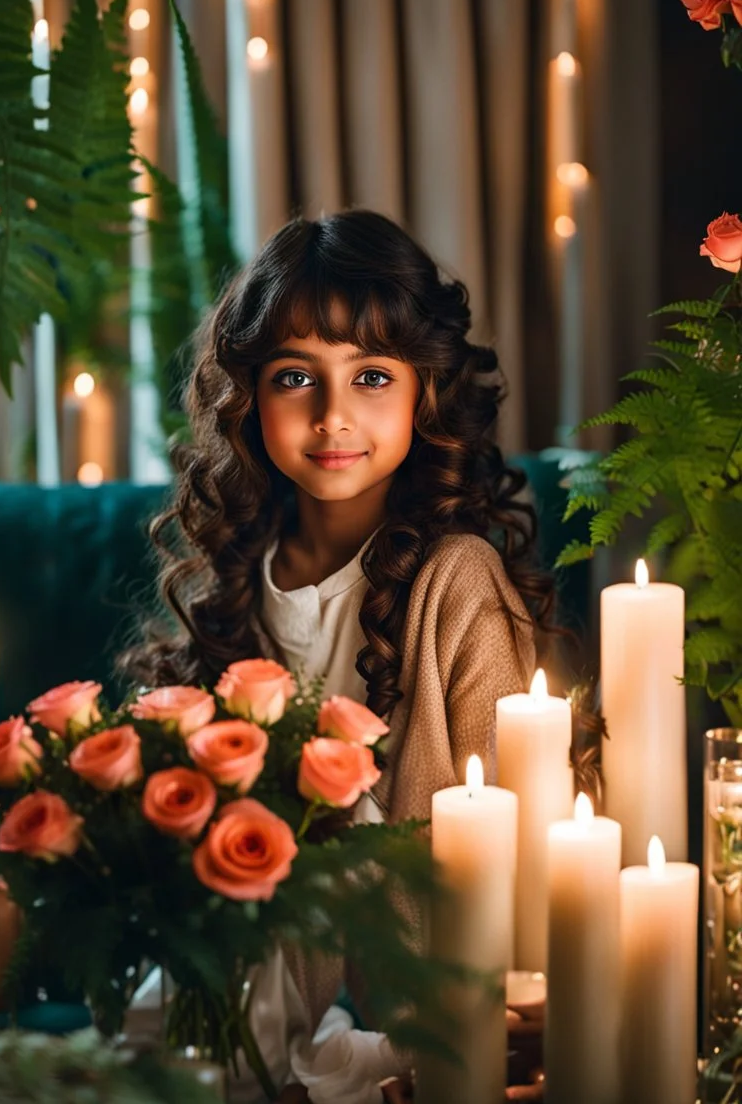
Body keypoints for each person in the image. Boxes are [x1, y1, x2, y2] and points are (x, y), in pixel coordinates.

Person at [121, 209, 556, 1103]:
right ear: (249, 396)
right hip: (260, 976)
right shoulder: (246, 576)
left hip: (413, 992)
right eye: (295, 378)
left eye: (369, 376)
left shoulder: (457, 580)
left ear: (422, 392)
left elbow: (516, 836)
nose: (332, 417)